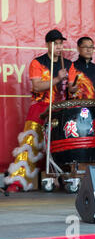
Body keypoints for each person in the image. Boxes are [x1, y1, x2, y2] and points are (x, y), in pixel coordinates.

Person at [4, 29, 71, 192]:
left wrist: (73, 87)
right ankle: (17, 182)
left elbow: (71, 89)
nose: (59, 46)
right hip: (40, 108)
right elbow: (37, 86)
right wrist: (57, 79)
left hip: (60, 109)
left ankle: (64, 179)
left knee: (62, 144)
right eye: (56, 43)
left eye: (61, 43)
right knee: (29, 143)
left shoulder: (68, 64)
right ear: (48, 44)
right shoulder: (38, 62)